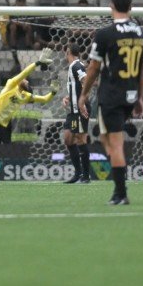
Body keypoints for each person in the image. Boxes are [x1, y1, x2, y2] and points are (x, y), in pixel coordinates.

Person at [79, 0, 143, 205]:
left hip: (111, 96)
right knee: (106, 140)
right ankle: (120, 187)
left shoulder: (105, 34)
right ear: (131, 7)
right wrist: (140, 97)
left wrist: (84, 94)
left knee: (115, 145)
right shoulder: (141, 34)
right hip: (129, 95)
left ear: (111, 6)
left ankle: (121, 193)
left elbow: (93, 67)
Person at [62, 43, 91, 184]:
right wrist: (68, 97)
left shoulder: (76, 65)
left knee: (80, 139)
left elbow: (86, 81)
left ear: (68, 51)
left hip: (80, 108)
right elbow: (78, 86)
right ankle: (78, 173)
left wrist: (82, 101)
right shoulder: (73, 66)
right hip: (73, 110)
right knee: (68, 139)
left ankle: (85, 176)